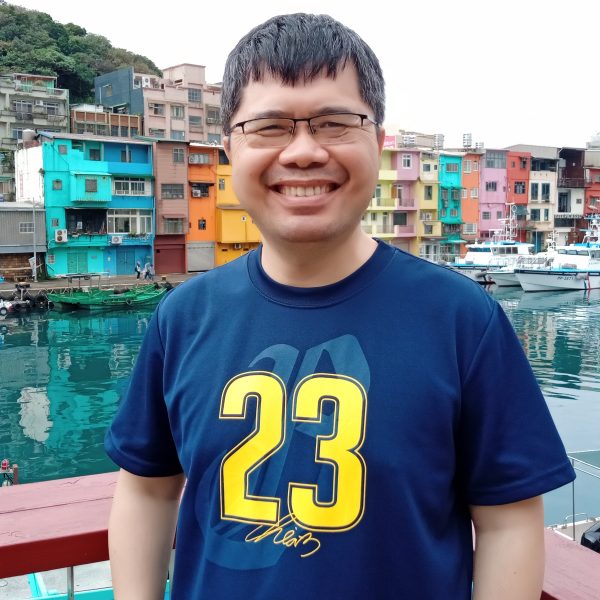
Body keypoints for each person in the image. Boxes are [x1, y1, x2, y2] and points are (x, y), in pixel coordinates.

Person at [105, 13, 575, 600]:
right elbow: (147, 489)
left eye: (334, 123)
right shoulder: (183, 318)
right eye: (269, 126)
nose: (303, 152)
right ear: (229, 149)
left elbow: (508, 520)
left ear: (377, 142)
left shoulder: (462, 320)